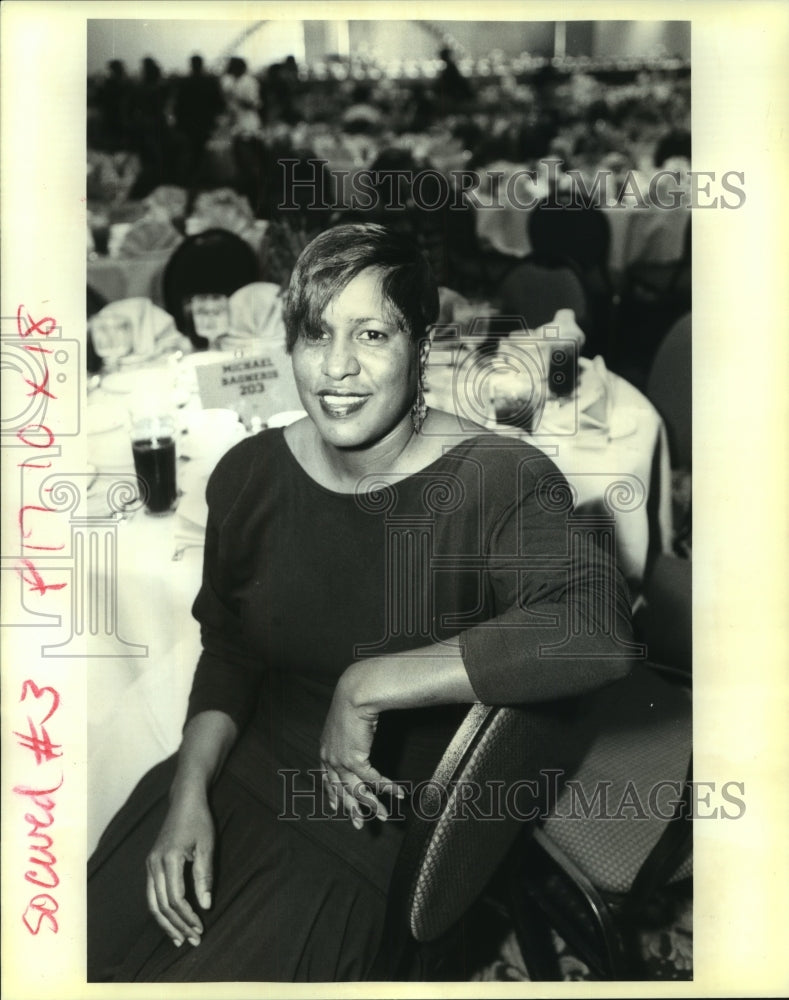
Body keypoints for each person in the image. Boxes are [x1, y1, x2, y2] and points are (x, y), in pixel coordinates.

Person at [87, 223, 635, 982]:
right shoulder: (248, 475)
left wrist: (368, 681)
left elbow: (595, 633)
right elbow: (231, 651)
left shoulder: (496, 477)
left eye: (372, 333)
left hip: (373, 826)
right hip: (235, 776)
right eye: (315, 335)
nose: (336, 368)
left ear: (422, 345)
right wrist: (187, 791)